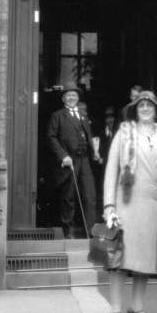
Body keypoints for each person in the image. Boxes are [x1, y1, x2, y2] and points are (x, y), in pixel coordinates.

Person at [103, 91, 157, 313]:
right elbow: (111, 170)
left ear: (156, 110)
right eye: (141, 105)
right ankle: (115, 310)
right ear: (135, 109)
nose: (145, 109)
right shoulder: (124, 134)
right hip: (127, 205)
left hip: (155, 207)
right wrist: (109, 206)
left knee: (145, 260)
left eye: (149, 105)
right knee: (120, 259)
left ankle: (137, 308)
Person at [46, 82, 97, 239]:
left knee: (90, 195)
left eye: (74, 95)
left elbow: (89, 138)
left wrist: (95, 152)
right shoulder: (57, 116)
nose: (71, 98)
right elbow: (51, 137)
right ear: (63, 98)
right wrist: (63, 156)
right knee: (68, 198)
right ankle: (69, 233)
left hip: (85, 161)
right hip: (69, 162)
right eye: (68, 95)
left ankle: (91, 231)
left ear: (78, 98)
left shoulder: (83, 116)